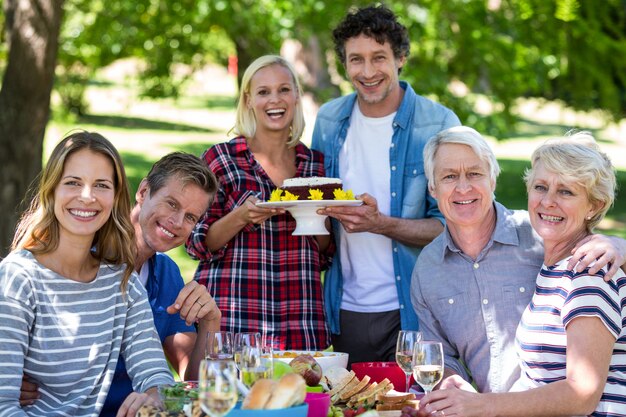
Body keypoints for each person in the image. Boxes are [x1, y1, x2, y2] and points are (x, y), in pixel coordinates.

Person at [417, 132, 625, 416]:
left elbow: (582, 393)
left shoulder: (588, 268)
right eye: (540, 187)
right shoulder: (556, 268)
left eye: (566, 191)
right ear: (432, 187)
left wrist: (619, 244)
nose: (548, 202)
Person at [18, 152, 222, 416]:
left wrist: (210, 323)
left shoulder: (167, 274)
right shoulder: (76, 255)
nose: (178, 223)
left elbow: (192, 383)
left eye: (191, 217)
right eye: (172, 204)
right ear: (143, 191)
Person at [311, 4, 460, 363]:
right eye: (355, 60)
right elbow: (316, 210)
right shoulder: (329, 120)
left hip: (418, 311)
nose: (367, 71)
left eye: (379, 57)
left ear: (400, 58)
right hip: (345, 309)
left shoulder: (438, 123)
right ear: (344, 65)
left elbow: (459, 227)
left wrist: (382, 225)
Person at [0, 131, 173, 416]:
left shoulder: (121, 283)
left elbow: (155, 374)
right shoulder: (18, 279)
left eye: (101, 185)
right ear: (52, 190)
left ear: (115, 196)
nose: (87, 196)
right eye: (73, 182)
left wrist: (153, 396)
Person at [186, 55, 333, 350]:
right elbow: (196, 242)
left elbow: (326, 253)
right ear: (249, 100)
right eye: (263, 92)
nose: (274, 100)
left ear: (295, 96)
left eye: (283, 90)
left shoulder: (314, 164)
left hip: (299, 319)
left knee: (300, 397)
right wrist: (242, 216)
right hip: (234, 319)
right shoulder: (221, 159)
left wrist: (311, 216)